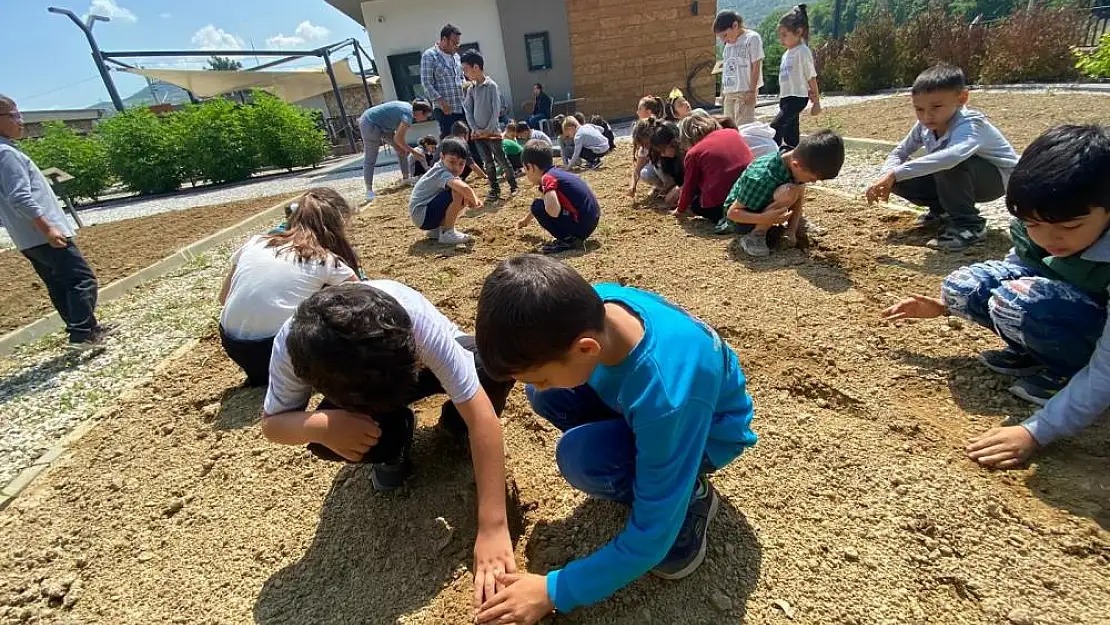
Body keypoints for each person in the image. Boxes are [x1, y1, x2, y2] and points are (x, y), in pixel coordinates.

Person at [471, 255, 757, 624]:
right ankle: (650, 465)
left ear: (586, 349)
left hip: (707, 434)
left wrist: (553, 590)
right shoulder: (594, 307)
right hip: (652, 409)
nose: (534, 382)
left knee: (582, 458)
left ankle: (689, 501)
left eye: (539, 374)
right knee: (546, 395)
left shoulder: (667, 395)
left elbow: (649, 539)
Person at [260, 280, 517, 608]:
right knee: (326, 441)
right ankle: (394, 445)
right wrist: (326, 426)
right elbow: (273, 425)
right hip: (358, 394)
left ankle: (453, 428)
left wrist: (493, 526)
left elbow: (483, 418)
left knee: (491, 368)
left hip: (418, 369)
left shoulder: (413, 325)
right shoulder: (294, 347)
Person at [881, 124, 1110, 469]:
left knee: (1017, 300)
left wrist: (1036, 431)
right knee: (964, 287)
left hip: (1097, 340)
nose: (1049, 238)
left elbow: (1106, 370)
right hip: (1066, 307)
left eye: (1068, 228)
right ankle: (1034, 352)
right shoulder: (1037, 223)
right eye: (1033, 225)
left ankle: (1068, 370)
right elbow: (1019, 266)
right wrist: (944, 307)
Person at [865, 63, 1019, 252]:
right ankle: (942, 212)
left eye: (936, 106)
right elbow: (899, 152)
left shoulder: (971, 124)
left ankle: (968, 225)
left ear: (962, 98)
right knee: (897, 175)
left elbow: (952, 156)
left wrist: (895, 173)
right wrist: (886, 176)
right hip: (958, 176)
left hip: (995, 181)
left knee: (946, 163)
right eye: (919, 109)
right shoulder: (924, 126)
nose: (927, 116)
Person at [0, 94, 112, 350]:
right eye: (14, 115)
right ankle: (82, 334)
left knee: (59, 283)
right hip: (42, 233)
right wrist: (48, 227)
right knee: (82, 279)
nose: (21, 120)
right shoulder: (6, 154)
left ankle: (87, 329)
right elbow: (20, 196)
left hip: (26, 238)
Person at [218, 189, 361, 387]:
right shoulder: (324, 260)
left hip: (239, 351)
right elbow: (364, 302)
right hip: (285, 355)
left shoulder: (256, 242)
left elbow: (223, 298)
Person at [724, 129, 844, 256]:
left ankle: (795, 224)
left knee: (796, 188)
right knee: (789, 191)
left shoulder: (796, 164)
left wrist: (791, 231)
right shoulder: (760, 177)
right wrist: (763, 218)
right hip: (743, 221)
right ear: (796, 164)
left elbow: (798, 198)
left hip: (767, 210)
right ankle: (756, 235)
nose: (813, 182)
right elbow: (732, 213)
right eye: (812, 179)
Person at [517, 140, 601, 255]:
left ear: (531, 167)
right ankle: (570, 237)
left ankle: (568, 241)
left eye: (525, 169)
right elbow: (543, 199)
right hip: (591, 219)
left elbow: (553, 211)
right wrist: (525, 220)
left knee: (537, 207)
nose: (526, 174)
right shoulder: (555, 173)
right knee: (538, 205)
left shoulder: (547, 178)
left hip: (582, 226)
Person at [671, 114, 754, 223]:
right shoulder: (731, 132)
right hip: (752, 192)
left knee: (695, 204)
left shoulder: (694, 153)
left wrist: (680, 210)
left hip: (725, 203)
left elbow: (689, 186)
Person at [461, 49, 519, 202]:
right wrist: (475, 128)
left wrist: (488, 129)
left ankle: (514, 186)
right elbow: (467, 109)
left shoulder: (491, 86)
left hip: (492, 132)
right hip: (478, 135)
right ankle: (494, 188)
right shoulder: (471, 89)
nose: (465, 73)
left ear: (476, 67)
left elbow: (496, 110)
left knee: (502, 159)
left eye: (466, 69)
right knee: (488, 163)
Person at [408, 137, 483, 246]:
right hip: (422, 215)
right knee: (457, 191)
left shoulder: (443, 169)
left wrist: (468, 198)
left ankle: (438, 230)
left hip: (422, 215)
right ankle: (447, 233)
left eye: (461, 164)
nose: (456, 168)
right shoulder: (441, 171)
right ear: (442, 157)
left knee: (459, 191)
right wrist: (475, 201)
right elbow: (464, 189)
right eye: (452, 161)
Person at [358, 99, 433, 203]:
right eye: (426, 116)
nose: (425, 119)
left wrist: (408, 150)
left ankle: (406, 179)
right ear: (420, 112)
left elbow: (399, 140)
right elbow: (398, 139)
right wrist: (414, 152)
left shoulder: (409, 108)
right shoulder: (408, 116)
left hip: (383, 125)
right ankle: (369, 190)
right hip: (369, 122)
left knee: (401, 150)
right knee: (371, 158)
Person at [772, 4, 822, 149]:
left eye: (785, 35)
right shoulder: (786, 54)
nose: (781, 40)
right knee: (790, 134)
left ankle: (770, 157)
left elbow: (811, 77)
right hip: (785, 98)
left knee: (775, 127)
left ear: (799, 31)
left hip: (797, 98)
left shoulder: (802, 51)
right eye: (780, 36)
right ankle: (794, 157)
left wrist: (816, 102)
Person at [713, 10, 764, 126]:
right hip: (729, 92)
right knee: (728, 128)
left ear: (735, 25)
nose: (724, 40)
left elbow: (756, 66)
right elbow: (726, 70)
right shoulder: (728, 45)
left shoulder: (752, 38)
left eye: (725, 35)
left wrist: (752, 91)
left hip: (745, 91)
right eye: (721, 38)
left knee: (743, 127)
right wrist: (722, 93)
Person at [421, 24, 467, 138]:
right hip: (445, 110)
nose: (456, 46)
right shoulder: (430, 55)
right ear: (444, 40)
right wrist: (442, 102)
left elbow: (461, 78)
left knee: (468, 141)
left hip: (462, 107)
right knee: (450, 142)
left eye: (458, 43)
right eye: (454, 43)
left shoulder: (456, 57)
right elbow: (426, 83)